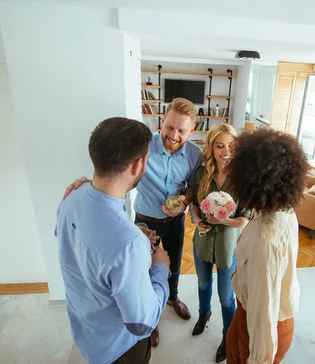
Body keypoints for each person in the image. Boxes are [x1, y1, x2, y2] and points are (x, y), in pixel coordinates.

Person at [63, 98, 202, 347]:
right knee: (144, 272)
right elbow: (112, 170)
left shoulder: (195, 154)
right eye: (169, 127)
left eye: (182, 130)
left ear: (192, 130)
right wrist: (87, 183)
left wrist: (184, 201)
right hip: (145, 222)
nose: (173, 135)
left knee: (175, 263)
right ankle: (153, 320)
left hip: (176, 221)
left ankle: (172, 298)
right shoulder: (143, 146)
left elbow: (192, 186)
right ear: (162, 121)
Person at [56, 118, 170, 364]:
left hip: (85, 332)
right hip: (120, 351)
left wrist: (132, 243)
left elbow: (81, 245)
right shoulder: (130, 245)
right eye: (148, 159)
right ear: (138, 164)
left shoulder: (71, 197)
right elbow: (142, 324)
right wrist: (161, 268)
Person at [225, 128, 309, 364]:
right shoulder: (284, 210)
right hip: (247, 310)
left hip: (262, 325)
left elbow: (264, 314)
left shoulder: (265, 241)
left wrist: (259, 359)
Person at [190, 123, 250, 363]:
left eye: (231, 146)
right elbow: (194, 206)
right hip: (202, 242)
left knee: (226, 296)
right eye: (220, 145)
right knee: (203, 283)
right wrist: (197, 220)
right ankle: (204, 314)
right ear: (212, 148)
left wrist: (223, 220)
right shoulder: (201, 174)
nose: (226, 151)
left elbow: (245, 220)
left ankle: (227, 335)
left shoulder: (242, 180)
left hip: (228, 247)